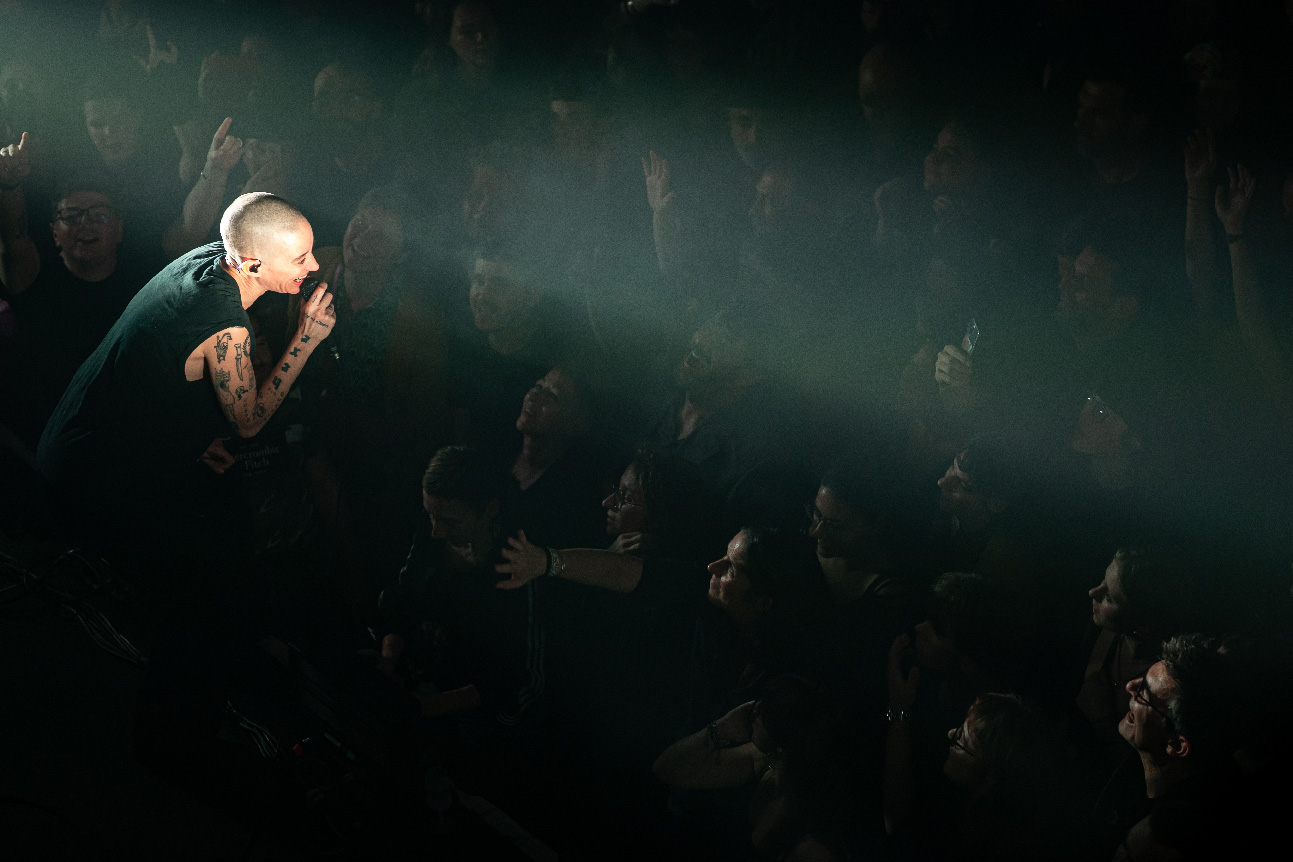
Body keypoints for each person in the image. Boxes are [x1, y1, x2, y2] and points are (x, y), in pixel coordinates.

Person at [36, 191, 335, 552]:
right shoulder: (226, 327)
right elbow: (249, 422)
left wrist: (186, 435)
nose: (313, 266)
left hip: (76, 442)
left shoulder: (211, 256)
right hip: (89, 476)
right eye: (300, 259)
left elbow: (154, 363)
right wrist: (306, 338)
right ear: (253, 266)